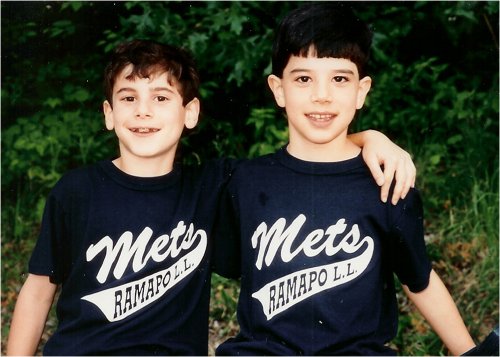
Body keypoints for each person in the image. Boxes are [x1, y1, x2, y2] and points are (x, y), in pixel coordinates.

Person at [6, 39, 416, 355]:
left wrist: (370, 138)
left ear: (190, 113)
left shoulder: (213, 185)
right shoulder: (78, 191)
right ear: (109, 113)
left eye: (161, 98)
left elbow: (307, 153)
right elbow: (39, 289)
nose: (143, 112)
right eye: (129, 98)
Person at [213, 3, 477, 356]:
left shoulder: (386, 181)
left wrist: (472, 353)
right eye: (304, 78)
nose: (321, 95)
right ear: (278, 89)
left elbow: (420, 280)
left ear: (361, 91)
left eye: (339, 78)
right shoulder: (243, 181)